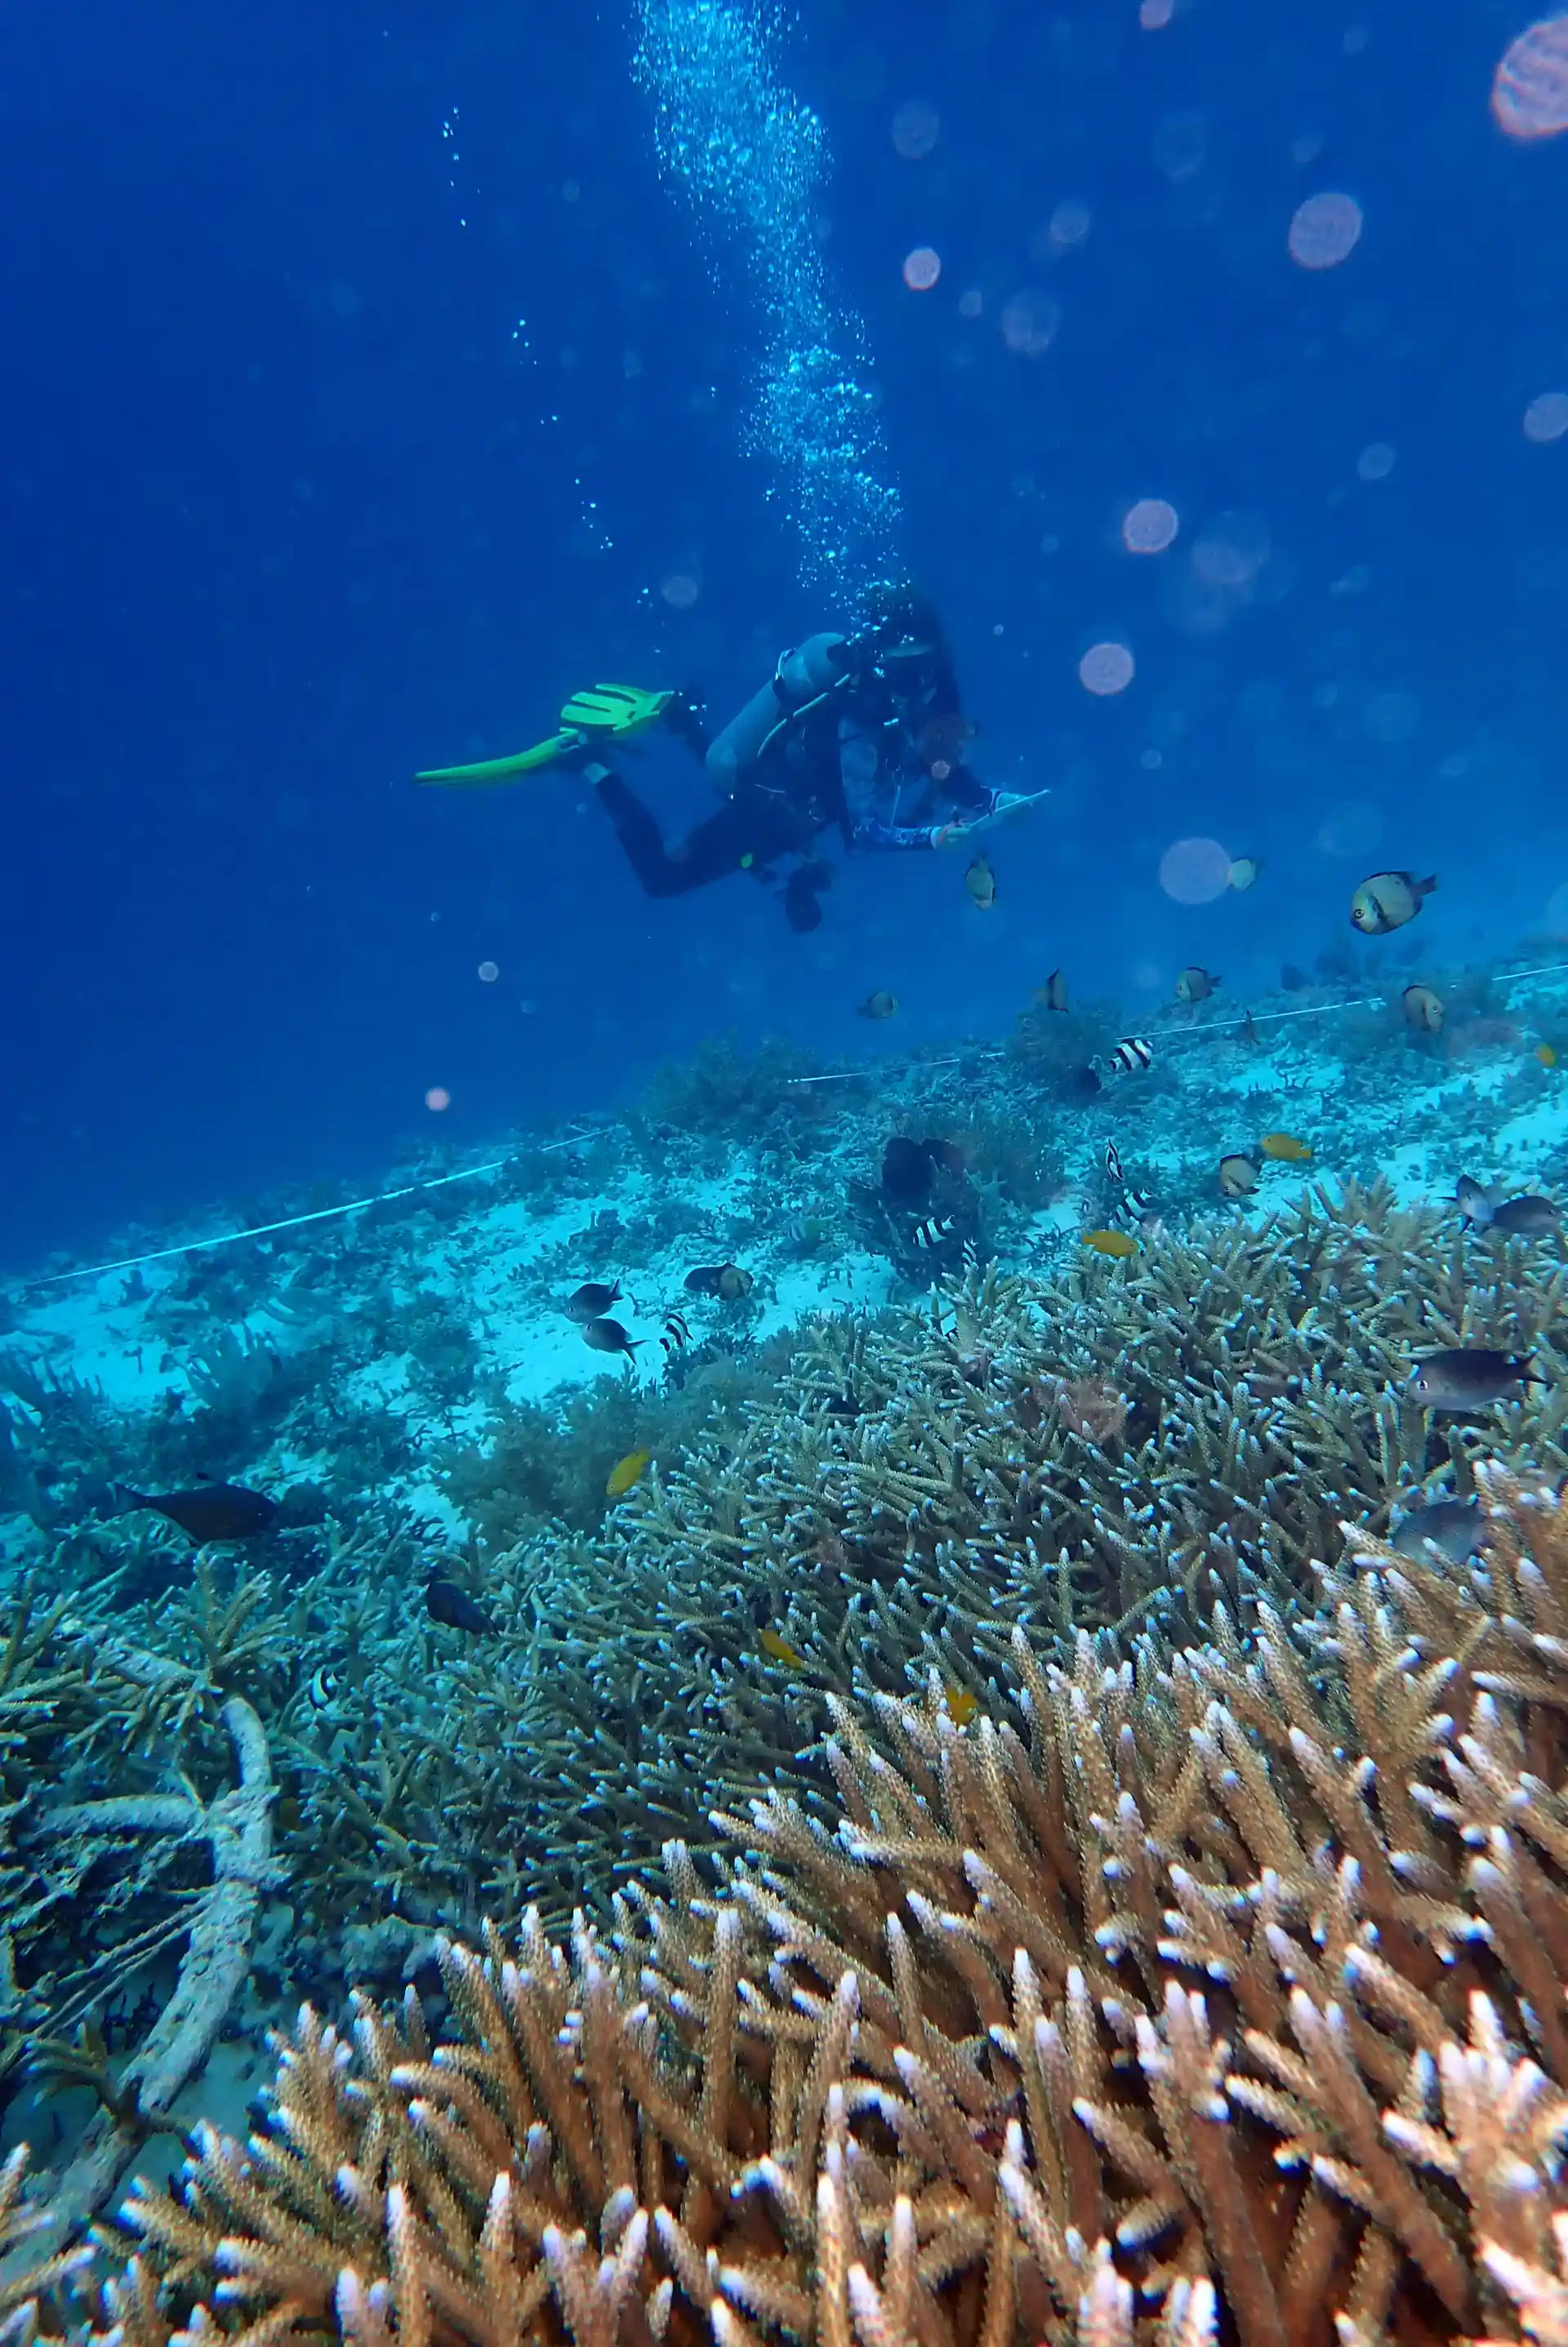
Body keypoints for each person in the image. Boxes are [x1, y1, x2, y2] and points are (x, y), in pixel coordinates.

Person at [415, 582, 1045, 932]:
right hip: (777, 805)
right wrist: (932, 837)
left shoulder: (926, 689)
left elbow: (937, 764)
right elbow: (861, 831)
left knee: (749, 799)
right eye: (915, 675)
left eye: (930, 671)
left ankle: (681, 721)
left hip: (799, 803)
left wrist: (988, 800)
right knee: (666, 875)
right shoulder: (854, 712)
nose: (927, 688)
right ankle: (588, 762)